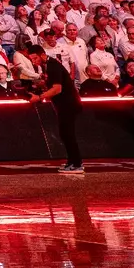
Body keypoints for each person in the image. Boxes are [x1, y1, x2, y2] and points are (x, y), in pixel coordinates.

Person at [28, 44, 84, 175]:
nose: (34, 61)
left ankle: (77, 163)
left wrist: (39, 97)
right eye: (31, 59)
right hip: (63, 105)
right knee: (65, 134)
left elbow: (57, 89)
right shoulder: (47, 66)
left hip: (68, 104)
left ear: (42, 54)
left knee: (68, 134)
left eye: (35, 58)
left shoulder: (52, 65)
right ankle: (72, 162)